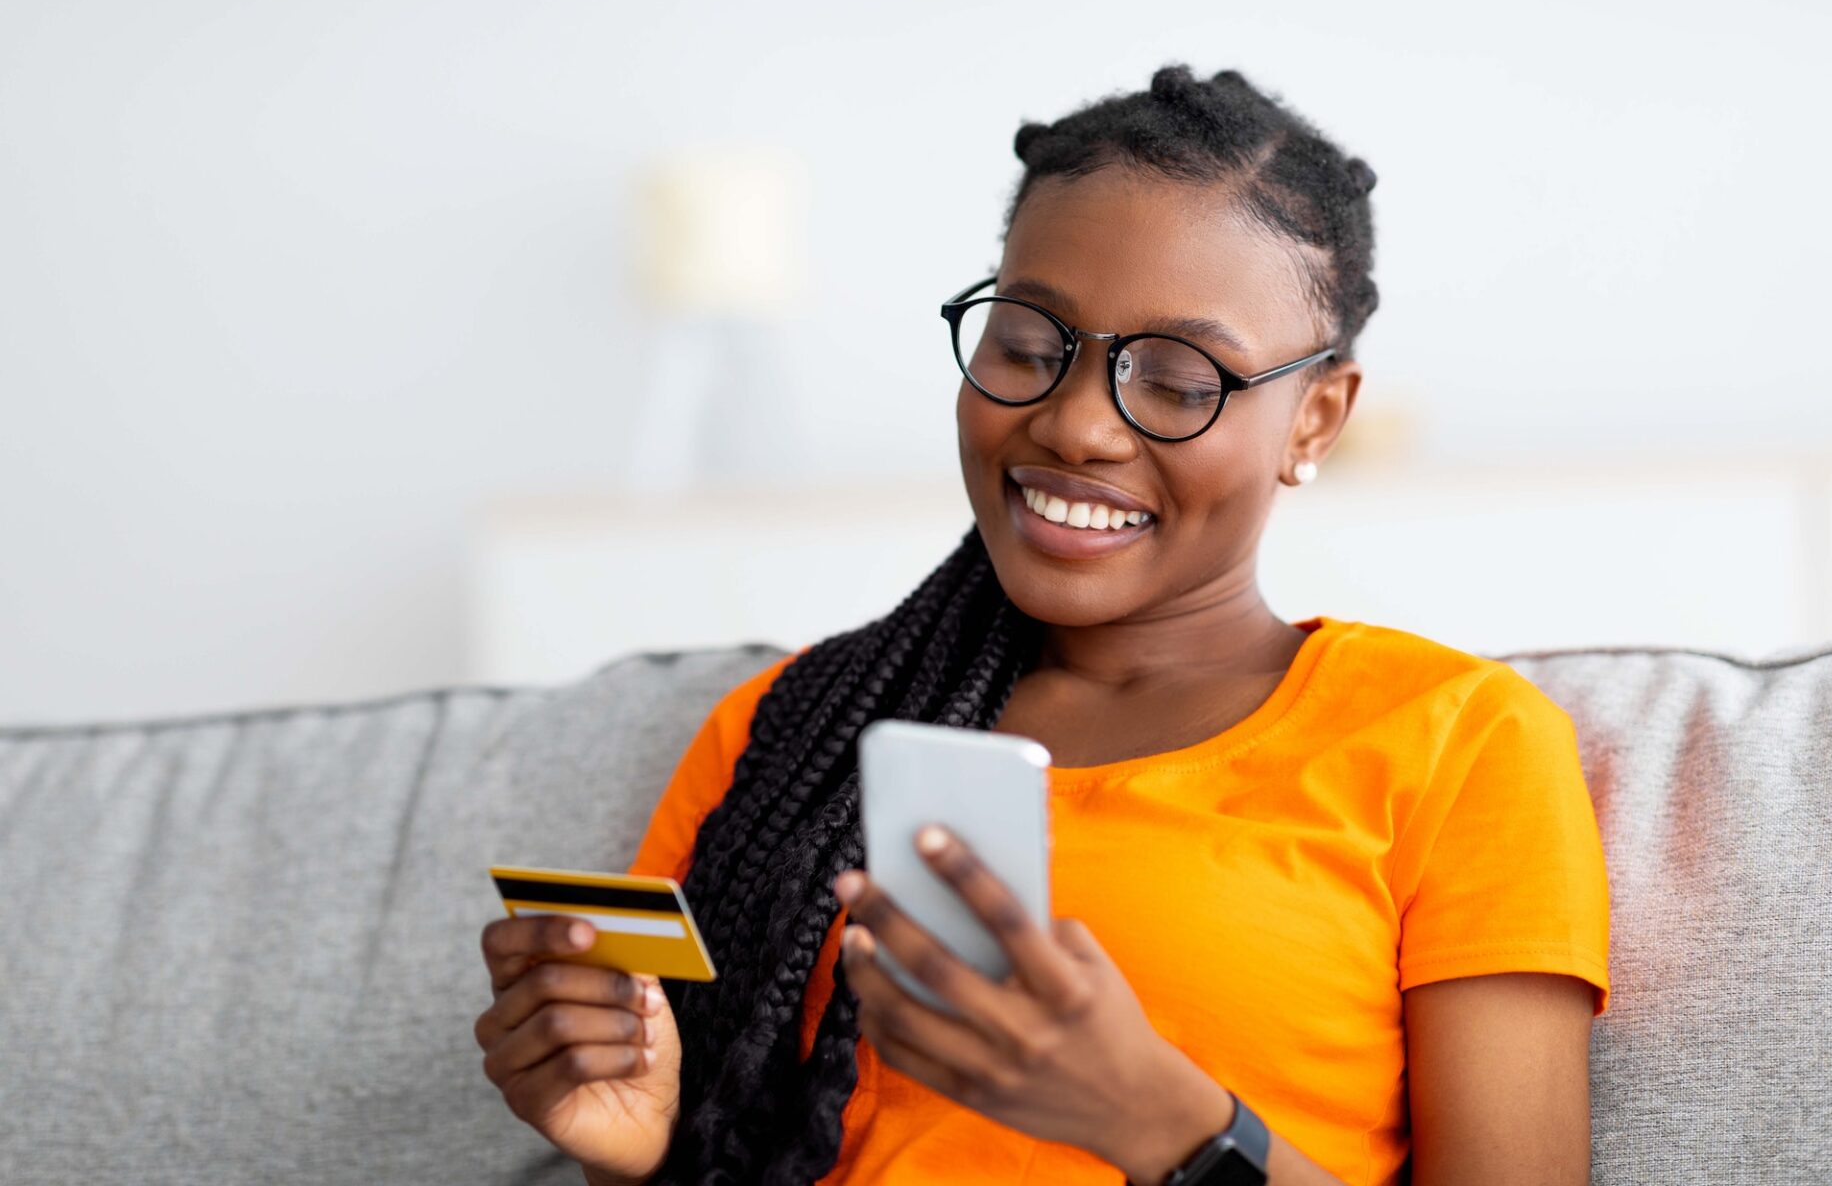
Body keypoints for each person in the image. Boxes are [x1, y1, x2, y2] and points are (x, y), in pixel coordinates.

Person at [474, 63, 1611, 1186]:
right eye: (1027, 345)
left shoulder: (1459, 742)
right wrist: (631, 1155)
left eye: (1177, 379)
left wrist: (1162, 1119)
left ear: (1314, 419)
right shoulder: (790, 734)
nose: (1074, 424)